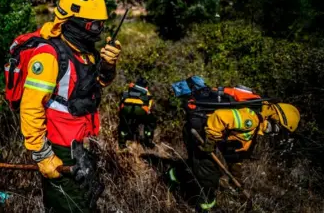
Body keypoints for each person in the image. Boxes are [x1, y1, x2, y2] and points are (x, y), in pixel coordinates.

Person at [19, 0, 122, 213]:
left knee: (85, 202)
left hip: (82, 143)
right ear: (72, 20)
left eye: (102, 24)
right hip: (59, 148)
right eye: (93, 24)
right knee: (68, 206)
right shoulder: (49, 56)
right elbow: (30, 107)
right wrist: (43, 156)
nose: (98, 30)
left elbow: (95, 85)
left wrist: (107, 66)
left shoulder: (85, 52)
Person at [166, 84, 300, 212]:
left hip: (203, 132)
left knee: (201, 167)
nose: (274, 132)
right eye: (277, 128)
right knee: (209, 176)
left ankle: (174, 175)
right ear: (275, 118)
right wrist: (211, 141)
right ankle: (205, 207)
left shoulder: (261, 115)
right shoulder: (251, 118)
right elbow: (219, 117)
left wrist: (236, 169)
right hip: (200, 134)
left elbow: (241, 141)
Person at [117, 77, 157, 149]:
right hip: (140, 110)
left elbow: (121, 102)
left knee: (123, 124)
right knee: (151, 122)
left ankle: (122, 143)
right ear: (146, 86)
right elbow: (149, 107)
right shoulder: (146, 92)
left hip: (126, 109)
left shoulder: (129, 89)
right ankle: (148, 141)